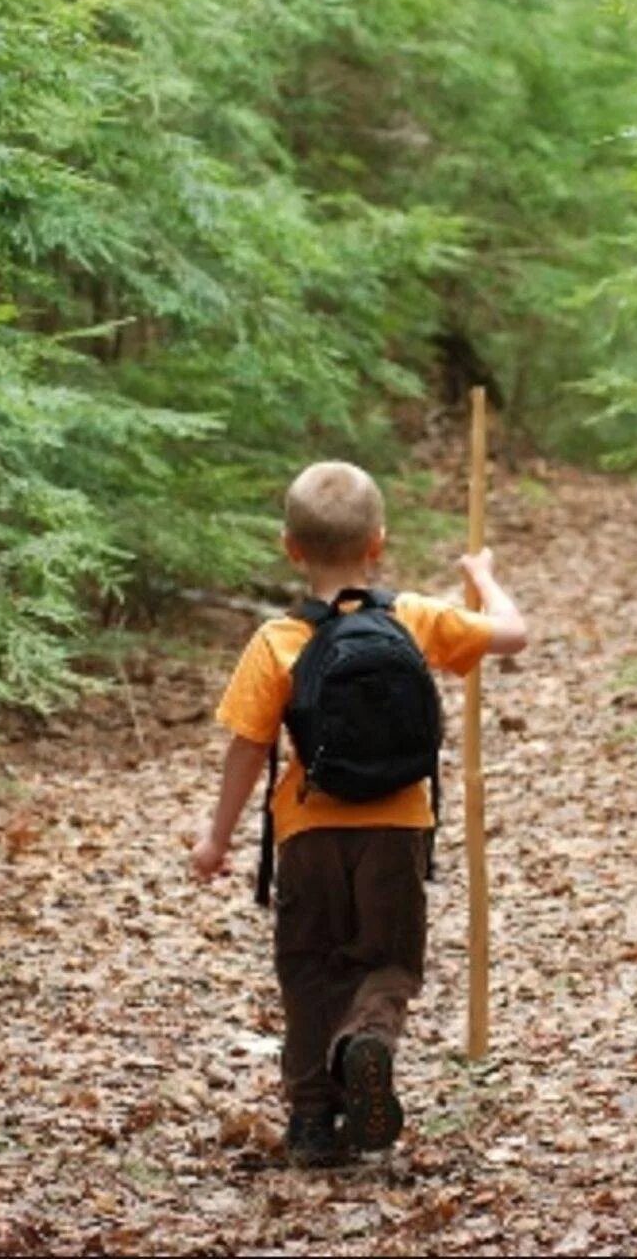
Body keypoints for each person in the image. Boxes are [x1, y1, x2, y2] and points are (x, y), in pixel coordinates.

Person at [190, 460, 527, 1167]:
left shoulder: (277, 641)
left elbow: (248, 749)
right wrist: (483, 573)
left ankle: (312, 1120)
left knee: (309, 967)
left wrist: (215, 838)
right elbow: (513, 633)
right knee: (389, 960)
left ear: (291, 547)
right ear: (378, 542)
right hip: (398, 827)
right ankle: (367, 1036)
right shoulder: (413, 617)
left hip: (308, 831)